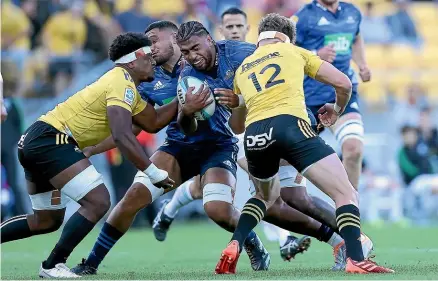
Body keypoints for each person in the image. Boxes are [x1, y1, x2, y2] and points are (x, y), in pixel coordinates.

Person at [153, 9, 373, 269]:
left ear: (246, 31)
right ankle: (348, 244)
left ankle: (336, 240)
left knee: (285, 197)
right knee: (309, 195)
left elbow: (282, 69)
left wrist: (239, 101)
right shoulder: (190, 73)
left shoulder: (243, 55)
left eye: (238, 26)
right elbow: (229, 123)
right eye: (228, 26)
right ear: (220, 31)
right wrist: (199, 109)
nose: (234, 30)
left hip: (255, 129)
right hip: (256, 130)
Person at [71, 20, 270, 276]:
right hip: (177, 148)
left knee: (218, 210)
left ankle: (253, 243)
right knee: (131, 199)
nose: (150, 48)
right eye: (146, 44)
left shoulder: (215, 57)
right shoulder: (147, 80)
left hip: (218, 146)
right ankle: (91, 263)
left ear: (175, 37)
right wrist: (91, 149)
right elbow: (134, 127)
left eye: (154, 40)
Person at [214, 13, 394, 274]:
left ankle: (235, 243)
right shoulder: (293, 51)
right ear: (287, 37)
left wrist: (240, 103)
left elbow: (238, 126)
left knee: (265, 196)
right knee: (345, 192)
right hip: (291, 125)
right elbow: (343, 82)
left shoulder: (244, 67)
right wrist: (336, 109)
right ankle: (356, 259)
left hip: (255, 135)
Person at [0, 32, 176, 278]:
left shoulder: (127, 88)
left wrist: (183, 100)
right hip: (51, 139)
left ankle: (51, 264)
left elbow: (154, 121)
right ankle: (52, 265)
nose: (154, 61)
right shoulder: (120, 80)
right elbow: (122, 135)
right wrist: (154, 172)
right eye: (149, 56)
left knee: (46, 221)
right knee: (98, 200)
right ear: (135, 58)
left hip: (37, 140)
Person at [292, 0, 370, 193]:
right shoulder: (303, 16)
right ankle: (293, 211)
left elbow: (357, 37)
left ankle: (349, 210)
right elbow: (285, 51)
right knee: (292, 165)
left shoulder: (352, 12)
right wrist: (315, 54)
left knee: (354, 149)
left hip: (342, 96)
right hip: (308, 99)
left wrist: (361, 64)